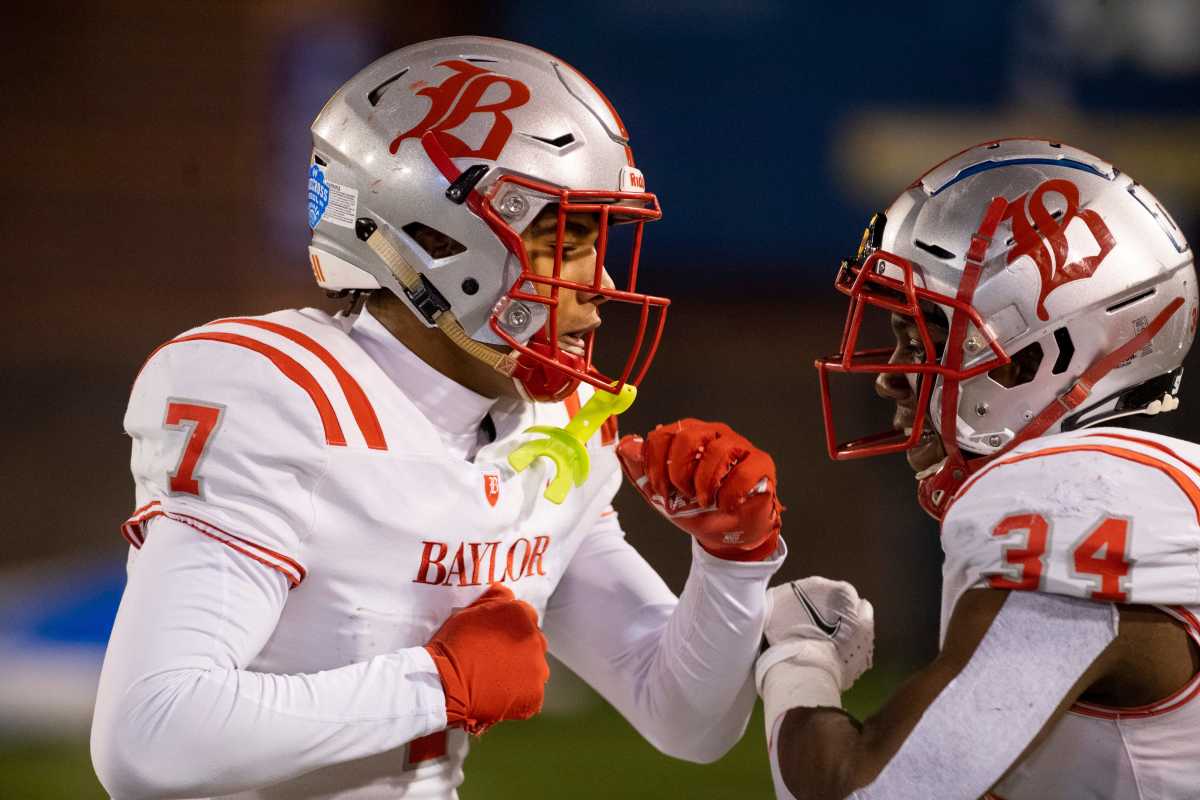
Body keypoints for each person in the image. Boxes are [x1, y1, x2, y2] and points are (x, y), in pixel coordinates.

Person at [90, 36, 785, 800]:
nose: (602, 281)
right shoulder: (286, 399)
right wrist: (433, 686)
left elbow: (685, 721)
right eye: (568, 240)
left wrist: (732, 562)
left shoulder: (550, 422)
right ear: (441, 244)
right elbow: (146, 740)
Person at [755, 139, 1200, 799]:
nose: (890, 381)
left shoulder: (1077, 501)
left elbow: (869, 793)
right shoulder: (1149, 487)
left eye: (923, 340)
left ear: (1031, 360)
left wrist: (798, 655)